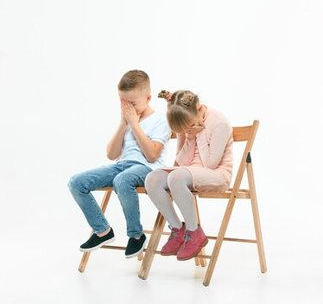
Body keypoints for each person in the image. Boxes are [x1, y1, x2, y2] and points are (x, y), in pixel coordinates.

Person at [68, 70, 172, 258]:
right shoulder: (127, 121)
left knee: (122, 180)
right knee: (76, 182)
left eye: (132, 104)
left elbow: (151, 155)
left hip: (148, 169)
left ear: (148, 98)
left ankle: (136, 235)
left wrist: (134, 124)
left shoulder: (160, 119)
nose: (127, 108)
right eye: (123, 103)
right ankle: (102, 231)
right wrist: (124, 124)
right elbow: (111, 154)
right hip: (121, 165)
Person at [145, 90, 233, 261]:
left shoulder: (219, 122)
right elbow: (181, 162)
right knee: (152, 179)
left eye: (189, 126)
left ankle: (194, 232)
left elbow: (210, 164)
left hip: (217, 173)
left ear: (199, 109)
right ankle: (178, 229)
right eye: (184, 129)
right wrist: (189, 135)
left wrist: (197, 133)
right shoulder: (187, 122)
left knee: (175, 177)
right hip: (188, 171)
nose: (187, 130)